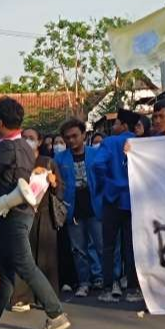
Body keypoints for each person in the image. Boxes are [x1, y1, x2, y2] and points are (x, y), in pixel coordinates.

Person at [0, 97, 70, 329]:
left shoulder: (5, 147)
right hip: (19, 213)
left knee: (24, 265)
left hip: (11, 214)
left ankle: (56, 314)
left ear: (0, 122)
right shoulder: (25, 145)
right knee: (4, 270)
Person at [9, 128, 64, 313]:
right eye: (24, 138)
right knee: (25, 256)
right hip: (21, 212)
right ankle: (21, 297)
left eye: (31, 138)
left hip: (45, 214)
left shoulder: (49, 162)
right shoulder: (16, 162)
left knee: (46, 256)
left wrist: (53, 181)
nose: (27, 141)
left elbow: (60, 190)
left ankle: (46, 297)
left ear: (39, 142)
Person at [92, 109, 141, 304]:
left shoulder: (110, 142)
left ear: (124, 125)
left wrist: (108, 186)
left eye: (116, 123)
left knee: (109, 246)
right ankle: (132, 288)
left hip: (112, 200)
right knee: (131, 246)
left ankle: (108, 287)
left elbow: (97, 165)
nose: (113, 127)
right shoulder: (141, 143)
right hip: (133, 201)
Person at [55, 120, 102, 298]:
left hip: (94, 204)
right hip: (72, 207)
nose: (71, 140)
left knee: (100, 244)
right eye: (67, 138)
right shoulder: (59, 158)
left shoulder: (96, 154)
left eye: (75, 136)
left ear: (84, 135)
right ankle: (84, 281)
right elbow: (58, 184)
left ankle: (103, 278)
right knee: (78, 248)